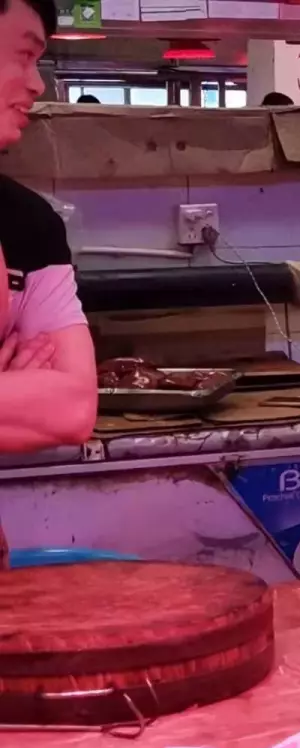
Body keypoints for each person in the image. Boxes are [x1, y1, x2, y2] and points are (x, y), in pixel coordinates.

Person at [0, 0, 97, 453]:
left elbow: (74, 408)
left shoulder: (31, 223)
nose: (38, 84)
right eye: (24, 55)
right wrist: (15, 394)